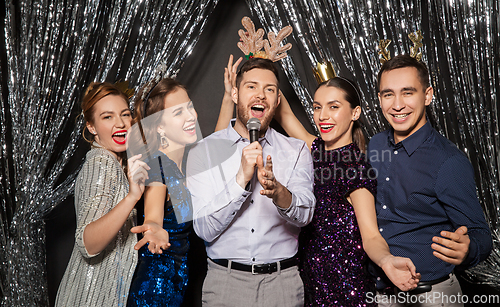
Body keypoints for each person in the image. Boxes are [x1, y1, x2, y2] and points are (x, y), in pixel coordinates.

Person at [274, 77, 420, 306]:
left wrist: (387, 260)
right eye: (317, 107)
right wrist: (264, 64)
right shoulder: (316, 150)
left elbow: (371, 235)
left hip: (345, 290)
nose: (322, 116)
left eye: (333, 107)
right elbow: (284, 114)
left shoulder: (356, 169)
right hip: (311, 284)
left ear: (355, 113)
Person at [186, 58, 316, 307]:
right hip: (225, 285)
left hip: (283, 285)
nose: (261, 95)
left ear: (277, 101)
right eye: (251, 87)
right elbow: (203, 229)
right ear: (235, 93)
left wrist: (279, 193)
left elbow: (306, 213)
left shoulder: (296, 150)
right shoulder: (204, 151)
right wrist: (241, 180)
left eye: (269, 89)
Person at [369, 54, 492, 306]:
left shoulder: (448, 161)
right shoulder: (374, 145)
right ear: (380, 99)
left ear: (427, 95)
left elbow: (481, 235)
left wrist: (468, 249)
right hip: (379, 294)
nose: (398, 104)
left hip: (432, 295)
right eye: (388, 94)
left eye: (408, 92)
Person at [55, 82, 155, 306]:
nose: (120, 123)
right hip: (89, 299)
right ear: (91, 126)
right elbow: (87, 244)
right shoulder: (102, 164)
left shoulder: (115, 163)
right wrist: (132, 197)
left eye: (125, 114)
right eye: (107, 117)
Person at [126, 78, 198, 307]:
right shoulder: (158, 164)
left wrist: (228, 99)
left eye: (190, 106)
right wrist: (155, 227)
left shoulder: (184, 161)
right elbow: (153, 216)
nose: (191, 116)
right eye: (178, 113)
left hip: (177, 284)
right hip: (155, 289)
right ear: (159, 126)